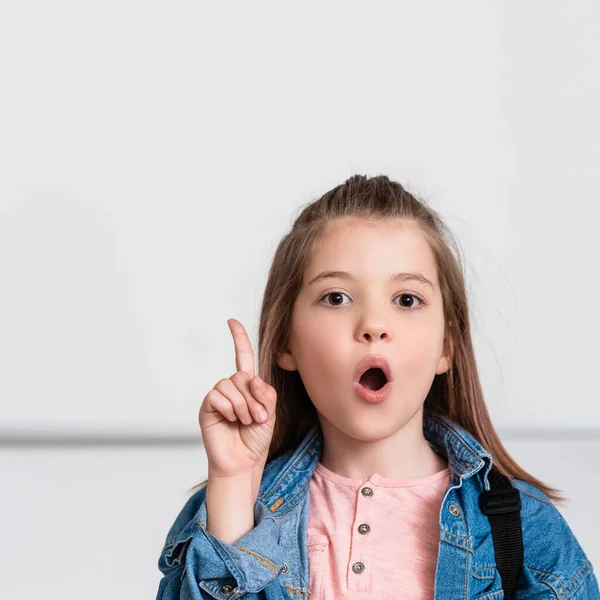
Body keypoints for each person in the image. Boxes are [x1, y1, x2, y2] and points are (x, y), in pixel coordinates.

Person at [155, 174, 599, 600]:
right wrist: (233, 489)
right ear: (287, 340)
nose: (373, 326)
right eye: (336, 298)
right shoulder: (226, 511)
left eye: (407, 300)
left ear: (446, 345)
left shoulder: (522, 526)